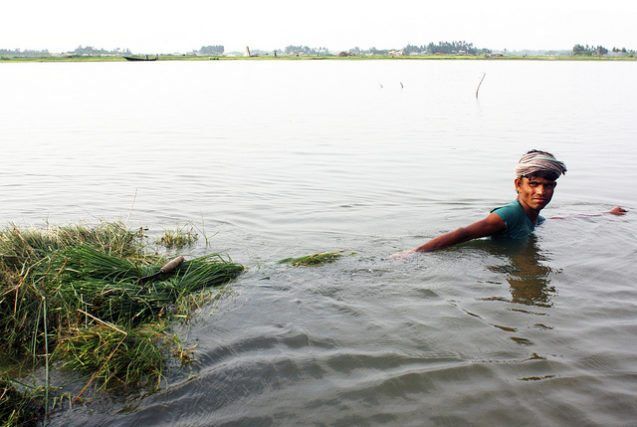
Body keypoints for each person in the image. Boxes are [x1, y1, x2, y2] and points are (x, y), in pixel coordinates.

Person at [396, 150, 627, 255]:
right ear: (518, 184)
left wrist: (606, 214)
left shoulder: (533, 217)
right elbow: (464, 233)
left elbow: (557, 219)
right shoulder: (510, 214)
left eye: (548, 186)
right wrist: (412, 253)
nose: (541, 192)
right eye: (534, 184)